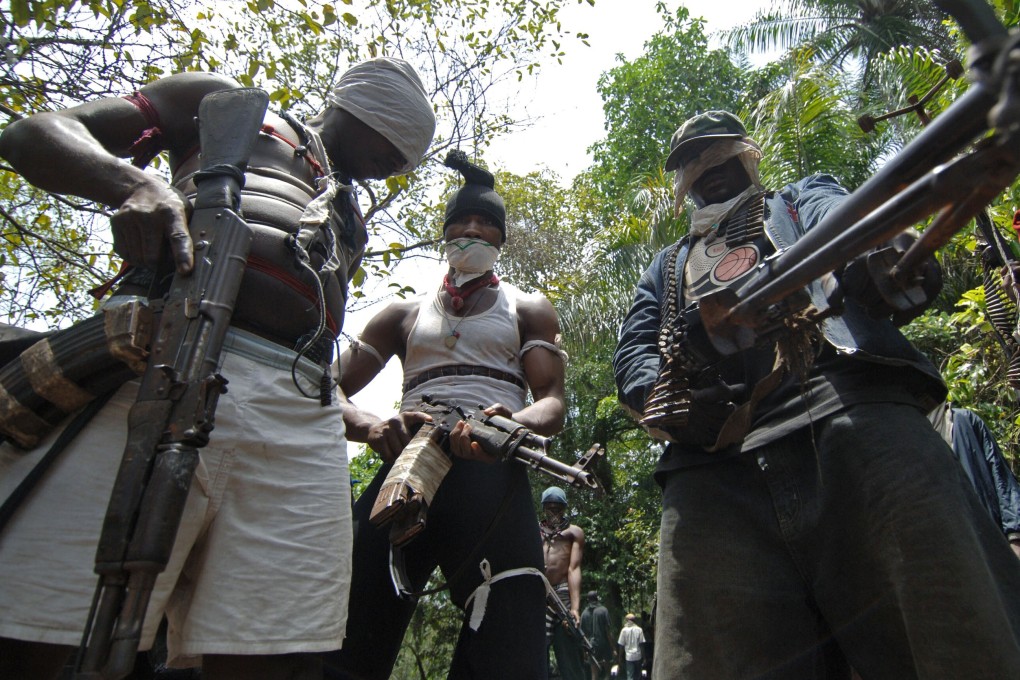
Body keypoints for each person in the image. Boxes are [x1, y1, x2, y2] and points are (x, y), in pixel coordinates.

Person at [0, 58, 436, 679]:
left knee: (284, 650)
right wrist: (133, 185)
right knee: (46, 626)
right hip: (162, 360)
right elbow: (32, 134)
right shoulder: (225, 104)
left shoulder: (348, 220)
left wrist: (359, 420)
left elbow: (305, 350)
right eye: (394, 146)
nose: (398, 166)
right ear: (363, 110)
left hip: (295, 420)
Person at [613, 110, 1020, 679]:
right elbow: (633, 353)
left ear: (746, 158)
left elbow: (858, 224)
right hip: (714, 476)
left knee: (958, 630)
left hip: (853, 416)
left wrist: (885, 260)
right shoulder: (666, 266)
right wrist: (675, 402)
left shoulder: (801, 202)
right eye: (695, 165)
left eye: (721, 158)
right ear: (684, 183)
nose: (711, 173)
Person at [322, 151, 567, 679]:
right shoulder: (402, 314)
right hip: (407, 469)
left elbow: (551, 400)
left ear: (500, 241)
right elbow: (325, 387)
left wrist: (514, 424)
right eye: (462, 221)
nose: (473, 230)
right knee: (349, 618)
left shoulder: (528, 309)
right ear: (445, 233)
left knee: (511, 628)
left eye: (486, 224)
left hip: (492, 468)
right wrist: (369, 425)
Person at [929, 401, 1020, 559]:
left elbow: (1001, 480)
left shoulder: (964, 422)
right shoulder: (903, 437)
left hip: (984, 540)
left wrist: (1015, 537)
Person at [540, 485, 586, 680]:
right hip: (537, 593)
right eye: (549, 507)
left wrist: (575, 608)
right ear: (543, 508)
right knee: (535, 651)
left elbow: (573, 569)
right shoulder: (533, 530)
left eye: (558, 508)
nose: (554, 512)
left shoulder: (574, 533)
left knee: (567, 649)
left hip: (562, 594)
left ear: (565, 508)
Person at [580, 591, 613, 680]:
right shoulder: (603, 610)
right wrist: (613, 647)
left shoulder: (584, 614)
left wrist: (585, 651)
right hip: (604, 643)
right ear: (597, 598)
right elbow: (608, 631)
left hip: (591, 645)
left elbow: (583, 635)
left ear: (588, 600)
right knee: (607, 673)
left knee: (594, 674)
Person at [616, 614, 645, 680]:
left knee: (630, 676)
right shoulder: (639, 630)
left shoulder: (624, 630)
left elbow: (621, 645)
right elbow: (641, 645)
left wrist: (620, 657)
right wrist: (644, 657)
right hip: (638, 656)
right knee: (637, 676)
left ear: (627, 621)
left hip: (629, 657)